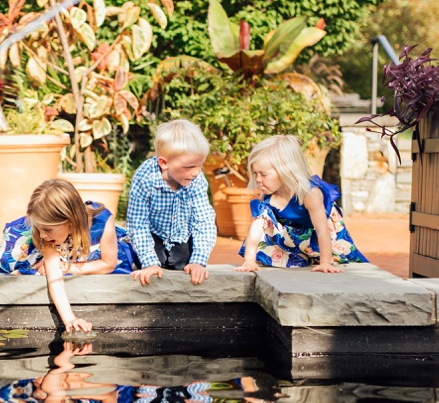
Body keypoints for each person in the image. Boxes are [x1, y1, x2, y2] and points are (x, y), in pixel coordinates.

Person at [0, 179, 136, 332]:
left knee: (77, 259)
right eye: (41, 229)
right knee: (14, 260)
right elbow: (55, 280)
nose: (43, 234)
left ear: (71, 220)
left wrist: (67, 267)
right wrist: (70, 319)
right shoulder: (43, 235)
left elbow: (108, 264)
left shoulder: (102, 221)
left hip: (81, 249)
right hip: (38, 245)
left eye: (48, 229)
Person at [236, 135, 366, 273]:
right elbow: (255, 230)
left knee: (334, 250)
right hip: (298, 234)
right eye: (255, 174)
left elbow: (322, 230)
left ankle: (321, 256)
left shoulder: (310, 195)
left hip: (326, 233)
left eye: (263, 174)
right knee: (263, 219)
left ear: (286, 170)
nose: (258, 179)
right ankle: (301, 256)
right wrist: (249, 261)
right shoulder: (266, 197)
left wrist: (325, 262)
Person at [126, 120, 217, 287]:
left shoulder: (196, 179)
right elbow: (138, 224)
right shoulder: (144, 178)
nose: (196, 172)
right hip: (154, 234)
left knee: (182, 263)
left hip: (181, 234)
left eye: (200, 165)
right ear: (164, 163)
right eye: (189, 167)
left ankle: (178, 256)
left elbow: (204, 220)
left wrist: (199, 261)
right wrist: (149, 262)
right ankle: (150, 257)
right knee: (151, 261)